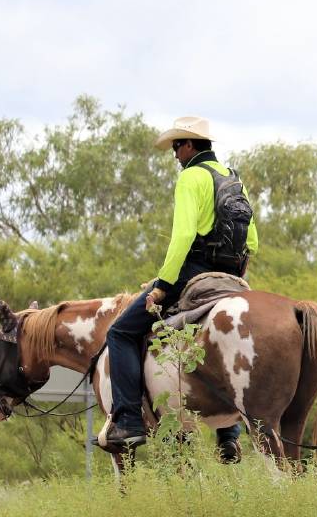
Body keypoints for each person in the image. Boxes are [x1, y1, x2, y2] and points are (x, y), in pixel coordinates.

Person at [99, 116, 259, 461]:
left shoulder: (191, 177)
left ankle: (128, 421)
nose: (174, 155)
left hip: (194, 270)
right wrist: (235, 276)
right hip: (233, 275)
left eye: (176, 147)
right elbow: (254, 241)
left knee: (121, 333)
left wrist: (163, 285)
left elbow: (184, 237)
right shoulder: (234, 180)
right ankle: (229, 433)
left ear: (189, 146)